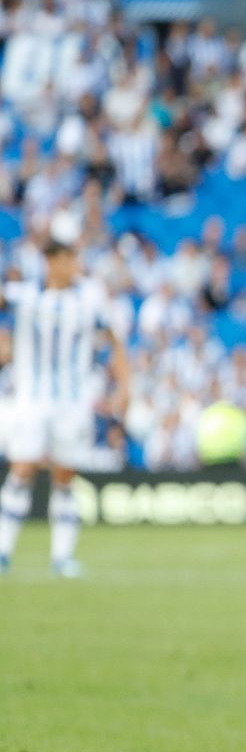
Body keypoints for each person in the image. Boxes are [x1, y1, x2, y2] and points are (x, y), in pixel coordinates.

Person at [0, 239, 129, 578]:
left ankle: (62, 557)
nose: (72, 266)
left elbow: (115, 341)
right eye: (66, 259)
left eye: (74, 258)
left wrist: (125, 386)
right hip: (31, 398)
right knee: (23, 468)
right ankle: (3, 550)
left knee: (65, 476)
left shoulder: (90, 298)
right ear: (49, 261)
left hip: (72, 401)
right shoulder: (24, 295)